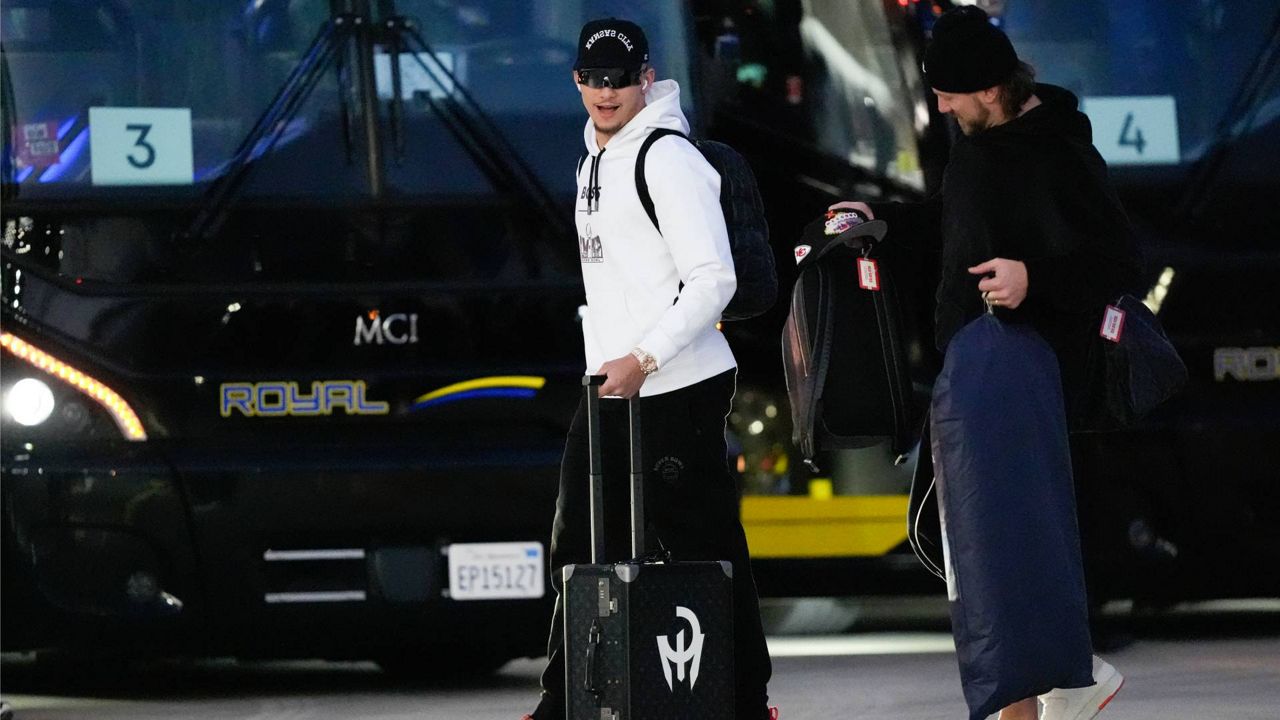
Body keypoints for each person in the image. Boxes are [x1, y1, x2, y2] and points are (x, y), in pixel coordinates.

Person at [831, 7, 1139, 720]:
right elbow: (952, 225)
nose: (938, 104)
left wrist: (1034, 278)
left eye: (947, 93)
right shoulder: (975, 144)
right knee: (979, 554)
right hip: (971, 370)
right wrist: (872, 222)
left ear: (991, 88)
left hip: (1026, 378)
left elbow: (1119, 261)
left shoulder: (1058, 151)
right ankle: (1058, 683)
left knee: (1000, 550)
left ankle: (1052, 687)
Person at [522, 18, 776, 720]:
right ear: (576, 80)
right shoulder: (592, 158)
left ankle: (747, 701)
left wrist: (645, 356)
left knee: (704, 542)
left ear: (644, 78)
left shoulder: (667, 157)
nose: (605, 93)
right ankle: (569, 699)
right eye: (592, 79)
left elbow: (712, 278)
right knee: (578, 539)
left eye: (618, 79)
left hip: (675, 380)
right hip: (611, 384)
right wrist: (614, 365)